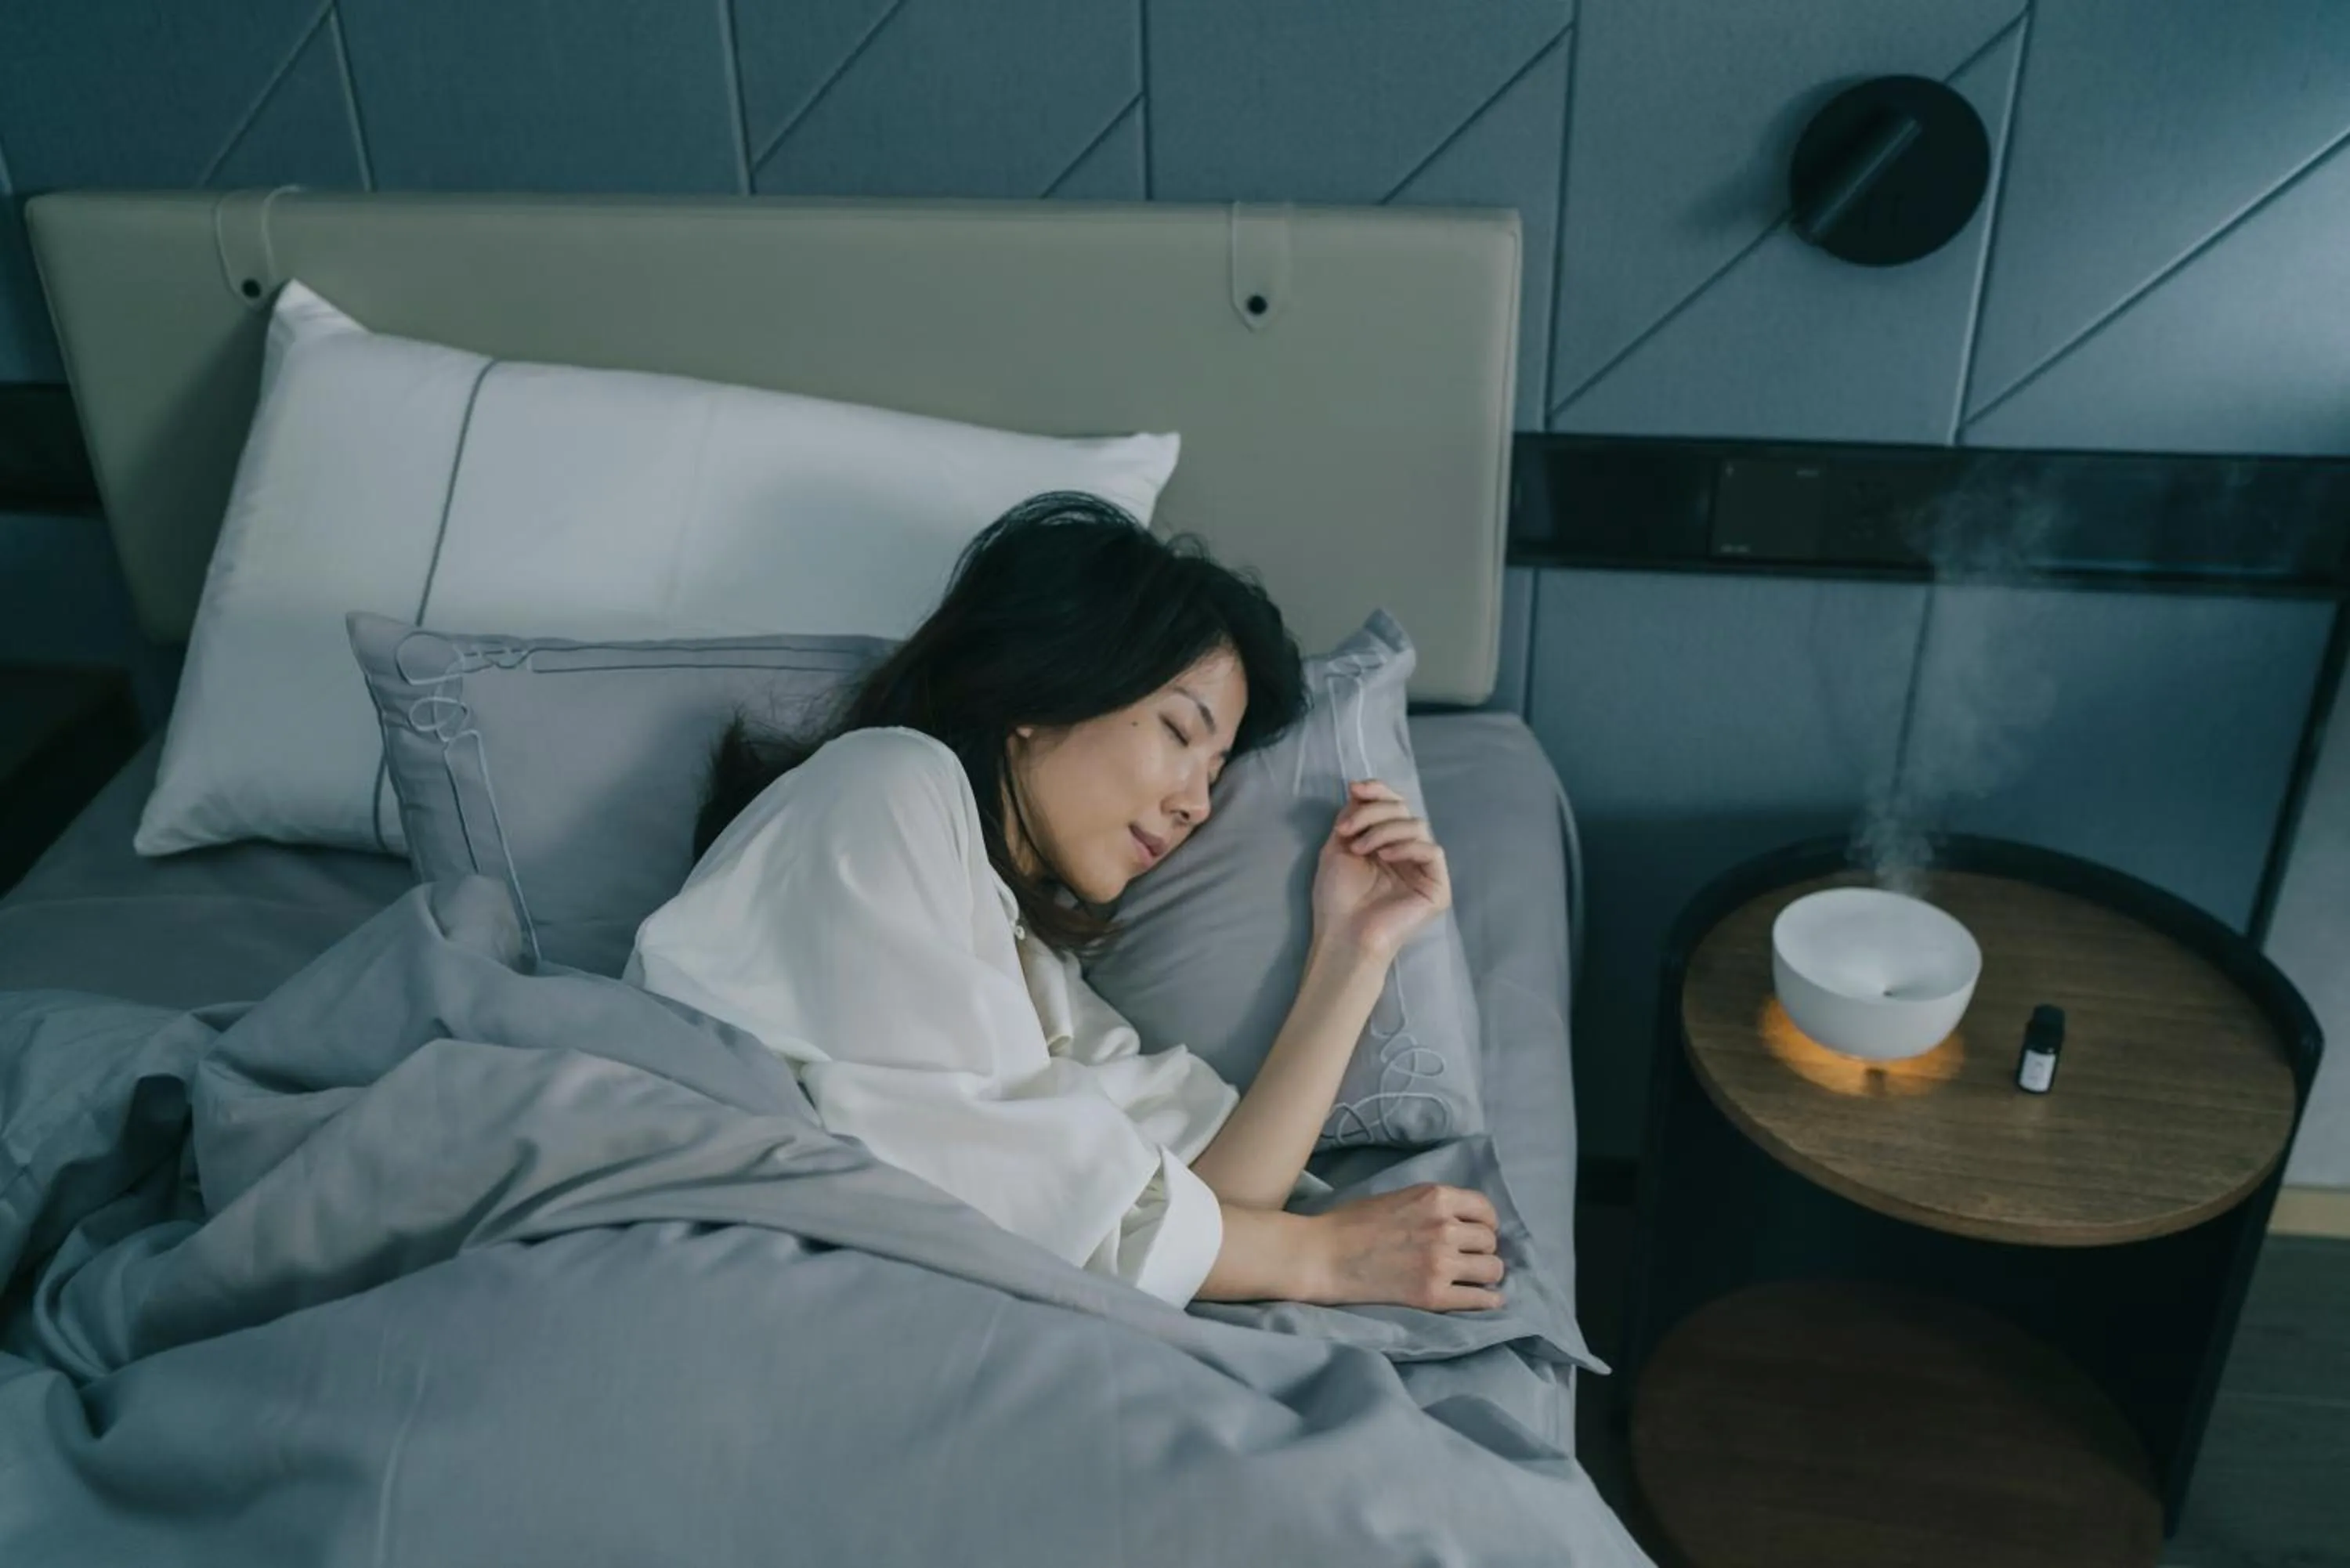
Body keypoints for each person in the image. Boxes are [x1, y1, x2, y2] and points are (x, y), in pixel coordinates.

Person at [627, 492, 1506, 1313]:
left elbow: (1205, 1206)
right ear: (1044, 691)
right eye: (1178, 733)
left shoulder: (1035, 968)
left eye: (1213, 773)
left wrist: (1353, 951)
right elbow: (970, 1184)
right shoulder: (885, 783)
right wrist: (1321, 1260)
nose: (1197, 804)